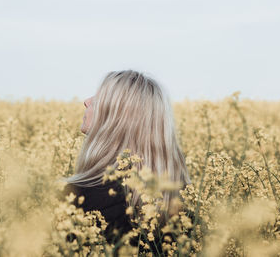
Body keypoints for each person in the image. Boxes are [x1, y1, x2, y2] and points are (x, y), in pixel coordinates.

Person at [61, 70, 192, 255]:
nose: (86, 101)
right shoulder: (185, 202)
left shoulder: (76, 197)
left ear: (117, 117)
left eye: (99, 98)